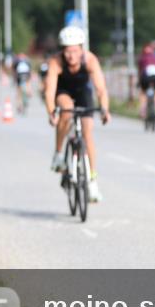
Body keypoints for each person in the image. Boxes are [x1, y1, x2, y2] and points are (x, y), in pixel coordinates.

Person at [43, 26, 111, 202]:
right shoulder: (56, 62)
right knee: (65, 111)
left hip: (83, 92)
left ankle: (92, 180)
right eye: (67, 51)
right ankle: (58, 154)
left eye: (74, 51)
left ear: (81, 49)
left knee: (88, 133)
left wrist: (104, 109)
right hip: (63, 91)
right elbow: (50, 91)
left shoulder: (90, 60)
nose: (71, 56)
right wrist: (52, 112)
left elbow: (101, 88)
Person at [136, 44, 155, 119]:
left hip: (146, 77)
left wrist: (138, 83)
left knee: (143, 93)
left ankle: (142, 112)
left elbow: (140, 72)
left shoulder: (142, 58)